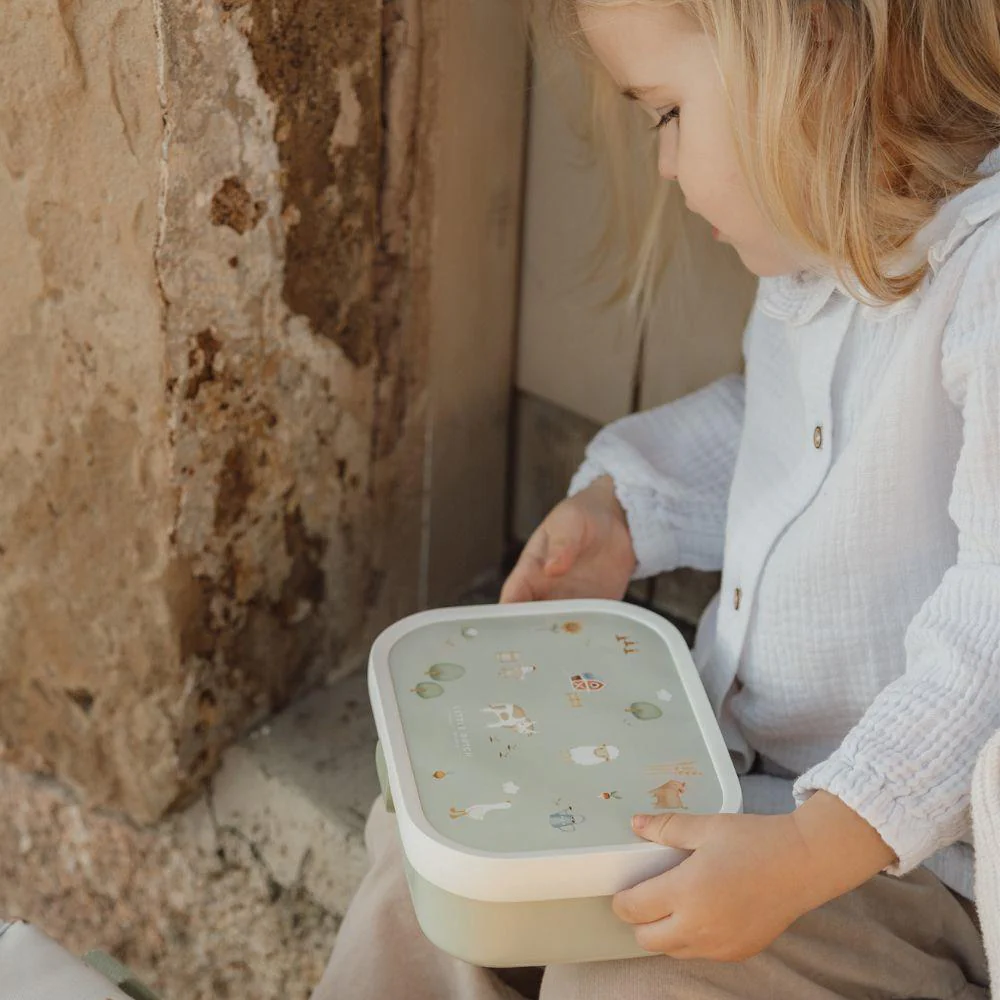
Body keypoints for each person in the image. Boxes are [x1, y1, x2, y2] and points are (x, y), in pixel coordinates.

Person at [312, 1, 1000, 996]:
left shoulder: (983, 283)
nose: (666, 164)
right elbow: (774, 428)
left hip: (907, 877)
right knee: (427, 856)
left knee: (639, 974)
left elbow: (992, 632)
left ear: (809, 46)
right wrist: (624, 508)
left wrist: (808, 850)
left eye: (667, 112)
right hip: (747, 793)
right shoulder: (828, 251)